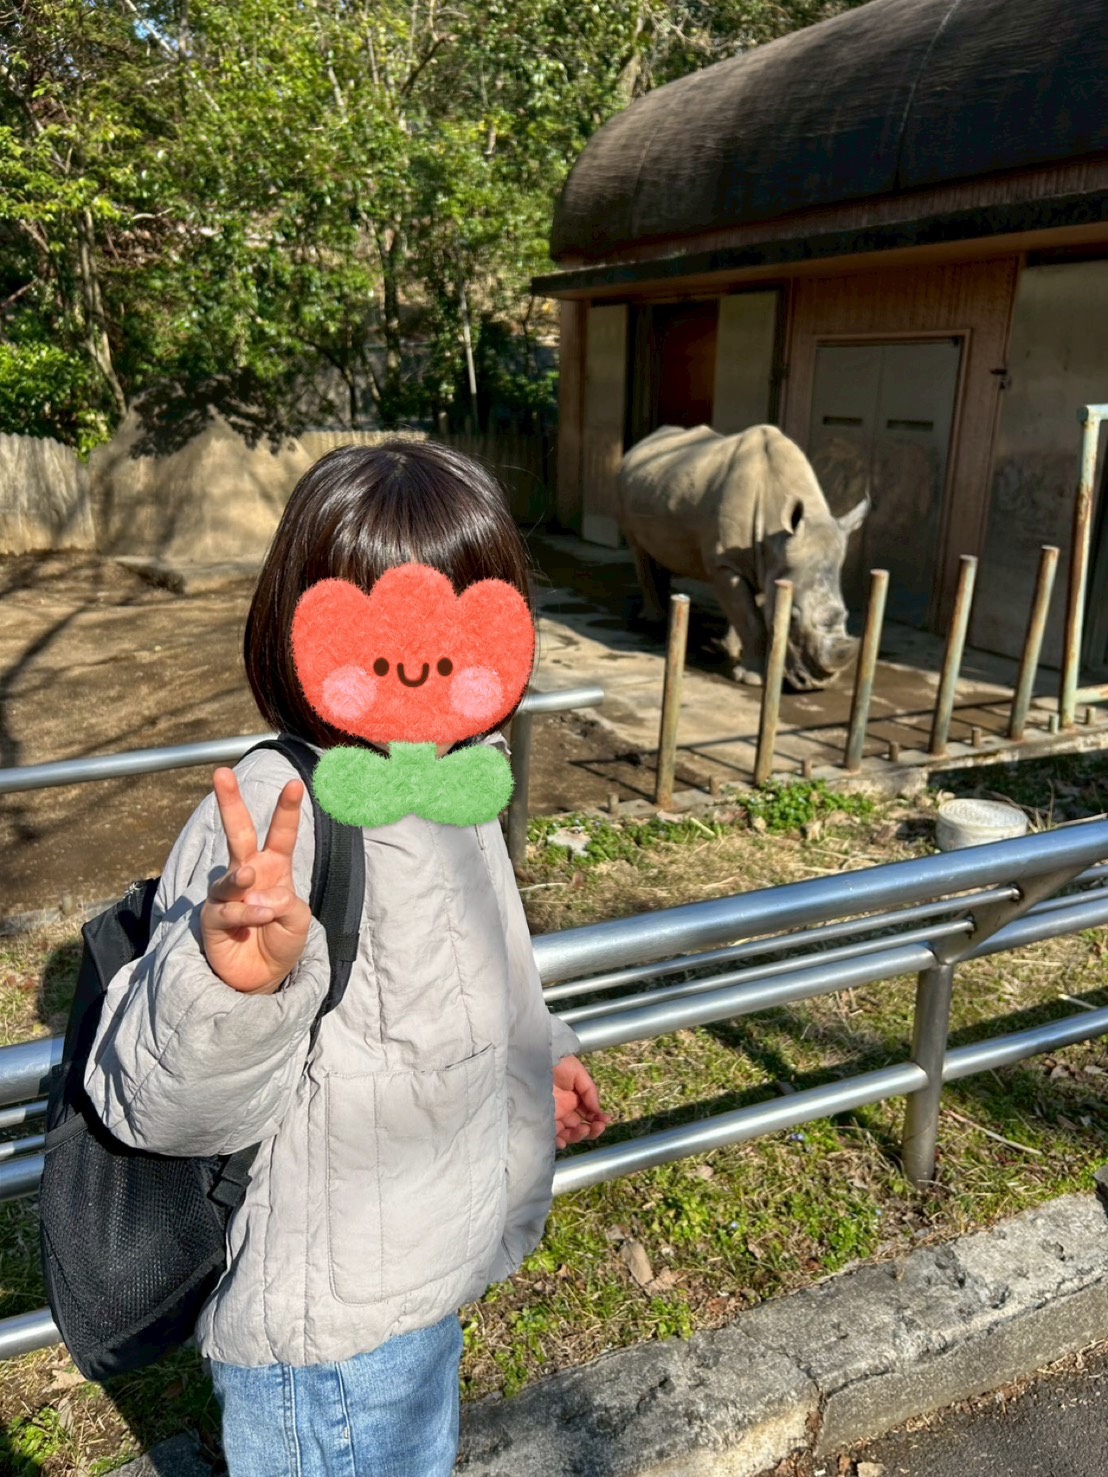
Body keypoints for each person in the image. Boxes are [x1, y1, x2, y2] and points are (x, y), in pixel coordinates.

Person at [83, 440, 610, 1477]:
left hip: (424, 1274)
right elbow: (161, 1107)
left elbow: (485, 963)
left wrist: (540, 1051)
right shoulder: (276, 816)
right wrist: (235, 984)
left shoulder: (460, 775)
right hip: (329, 1328)